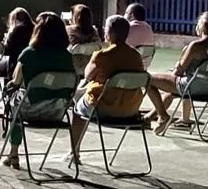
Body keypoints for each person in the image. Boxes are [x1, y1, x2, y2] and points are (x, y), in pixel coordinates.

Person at [68, 16, 167, 164]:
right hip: (130, 110)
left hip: (102, 108)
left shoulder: (102, 55)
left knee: (77, 110)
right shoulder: (135, 56)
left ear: (108, 33)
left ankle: (74, 153)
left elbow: (88, 76)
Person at [0, 12, 74, 169]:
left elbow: (16, 81)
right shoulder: (68, 57)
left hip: (29, 109)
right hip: (57, 111)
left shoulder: (29, 54)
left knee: (14, 104)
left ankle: (13, 152)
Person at [144, 11, 208, 129]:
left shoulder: (196, 46)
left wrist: (174, 70)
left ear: (203, 26)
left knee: (148, 79)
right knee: (169, 91)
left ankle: (163, 115)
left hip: (190, 86)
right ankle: (149, 117)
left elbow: (179, 71)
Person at [0, 7, 34, 112]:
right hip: (31, 64)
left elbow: (6, 51)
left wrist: (7, 39)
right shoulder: (35, 28)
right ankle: (7, 101)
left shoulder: (16, 30)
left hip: (15, 64)